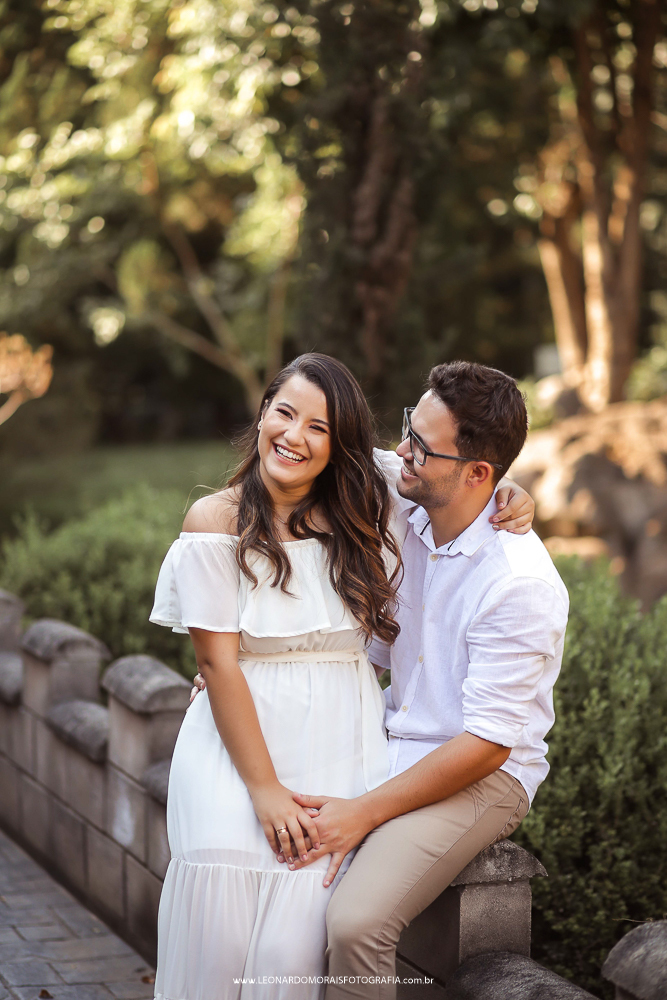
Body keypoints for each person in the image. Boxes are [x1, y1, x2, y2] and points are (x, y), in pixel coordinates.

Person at [150, 353, 534, 1000]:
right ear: (263, 411)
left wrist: (518, 497)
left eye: (319, 428)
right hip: (237, 746)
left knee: (290, 950)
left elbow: (464, 484)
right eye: (284, 412)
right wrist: (266, 790)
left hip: (339, 741)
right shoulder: (212, 522)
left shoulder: (373, 490)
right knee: (214, 936)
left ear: (341, 444)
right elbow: (216, 663)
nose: (294, 436)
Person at [280, 361, 570, 1000]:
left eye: (421, 444)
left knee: (356, 922)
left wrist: (360, 814)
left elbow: (489, 743)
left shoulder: (518, 584)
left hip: (481, 772)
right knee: (273, 849)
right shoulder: (410, 492)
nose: (402, 450)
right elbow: (313, 454)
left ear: (476, 474)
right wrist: (232, 666)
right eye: (411, 426)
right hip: (390, 731)